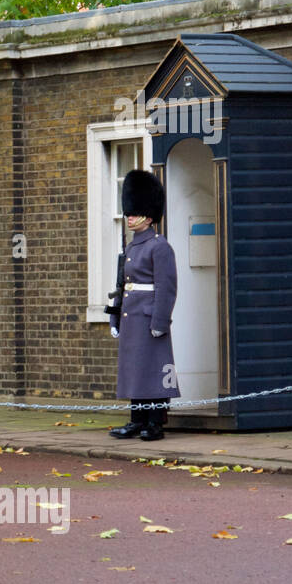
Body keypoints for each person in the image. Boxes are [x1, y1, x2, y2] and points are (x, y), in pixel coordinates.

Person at [109, 170, 179, 441]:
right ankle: (137, 420)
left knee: (155, 370)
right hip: (131, 317)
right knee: (136, 370)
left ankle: (155, 422)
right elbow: (122, 286)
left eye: (134, 213)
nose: (129, 217)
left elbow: (167, 288)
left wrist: (160, 322)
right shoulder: (131, 247)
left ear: (149, 217)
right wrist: (114, 318)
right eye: (129, 213)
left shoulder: (159, 247)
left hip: (149, 317)